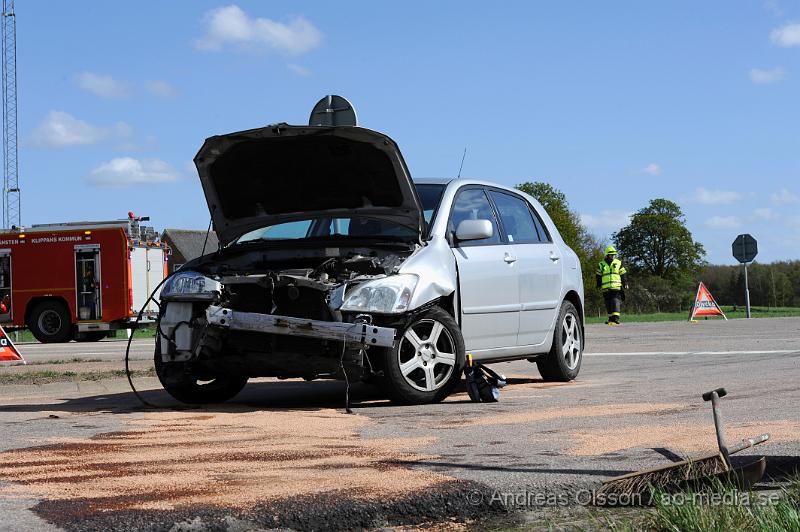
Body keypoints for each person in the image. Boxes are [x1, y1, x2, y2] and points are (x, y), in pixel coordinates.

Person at [596, 246, 628, 325]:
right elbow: (598, 276)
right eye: (611, 255)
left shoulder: (618, 263)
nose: (613, 256)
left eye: (614, 255)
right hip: (606, 288)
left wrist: (625, 283)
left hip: (616, 287)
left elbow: (623, 274)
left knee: (615, 301)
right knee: (608, 303)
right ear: (607, 255)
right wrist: (598, 284)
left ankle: (616, 318)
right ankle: (610, 319)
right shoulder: (601, 264)